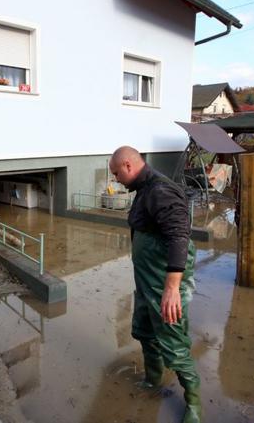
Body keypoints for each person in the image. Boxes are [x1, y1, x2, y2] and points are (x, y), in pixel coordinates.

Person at [109, 146, 201, 423]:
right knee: (145, 332)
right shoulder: (143, 190)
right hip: (147, 285)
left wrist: (172, 289)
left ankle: (194, 404)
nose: (116, 180)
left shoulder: (160, 190)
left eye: (116, 174)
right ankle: (152, 379)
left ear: (128, 166)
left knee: (174, 344)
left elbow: (179, 237)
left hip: (165, 288)